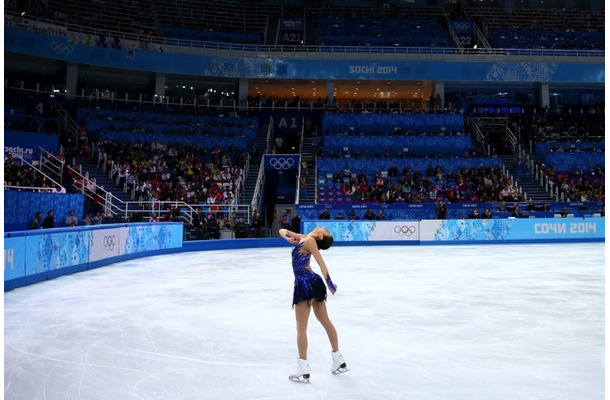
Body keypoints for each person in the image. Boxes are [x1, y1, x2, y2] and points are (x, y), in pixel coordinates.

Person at [279, 226, 348, 383]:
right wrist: (287, 238)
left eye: (325, 230)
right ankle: (338, 359)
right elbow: (282, 230)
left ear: (321, 237)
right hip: (313, 281)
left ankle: (303, 369)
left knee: (301, 327)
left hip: (305, 283)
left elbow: (321, 262)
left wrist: (330, 283)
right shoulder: (304, 238)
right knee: (325, 321)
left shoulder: (309, 241)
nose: (323, 227)